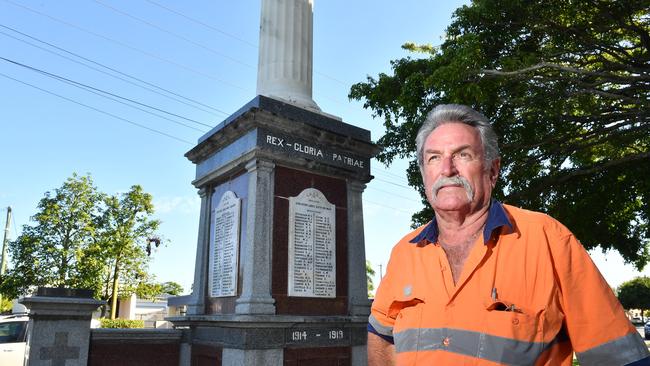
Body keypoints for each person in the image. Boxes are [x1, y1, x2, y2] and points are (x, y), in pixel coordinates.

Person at [367, 104, 650, 365]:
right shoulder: (404, 252)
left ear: (492, 170)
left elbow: (620, 357)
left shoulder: (548, 240)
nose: (447, 169)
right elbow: (381, 335)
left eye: (463, 155)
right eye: (433, 158)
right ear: (423, 173)